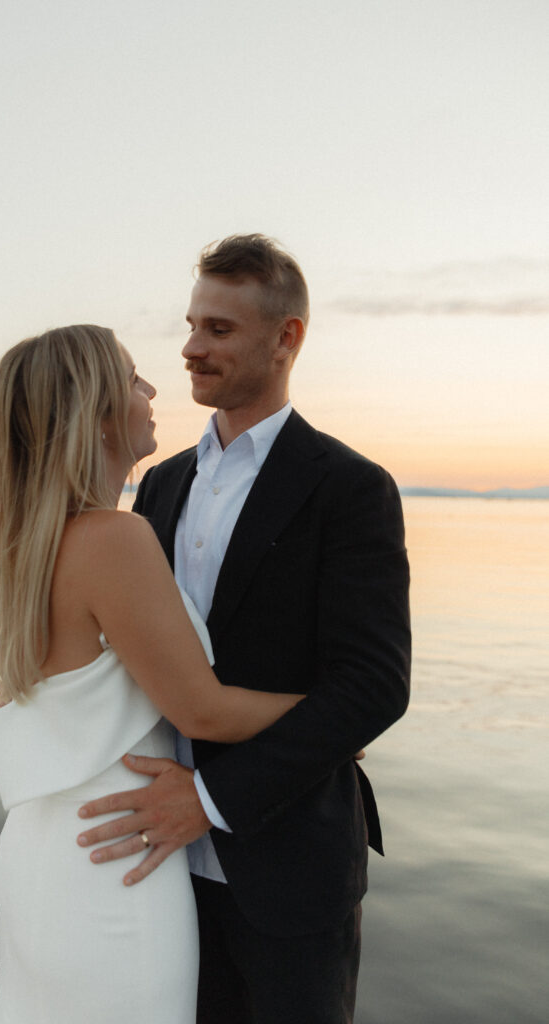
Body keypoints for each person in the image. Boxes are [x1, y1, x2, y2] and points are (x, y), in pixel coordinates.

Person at [76, 235, 412, 1023]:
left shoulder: (349, 488)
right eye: (191, 325)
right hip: (154, 868)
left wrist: (212, 800)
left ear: (286, 337)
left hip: (289, 870)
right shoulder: (159, 484)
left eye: (219, 330)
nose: (191, 349)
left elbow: (373, 686)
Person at [0, 324, 306, 1024]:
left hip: (45, 849)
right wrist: (321, 713)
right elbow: (204, 712)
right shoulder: (114, 537)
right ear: (96, 413)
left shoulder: (29, 543)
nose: (152, 390)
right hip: (115, 859)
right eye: (132, 378)